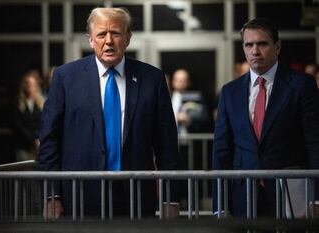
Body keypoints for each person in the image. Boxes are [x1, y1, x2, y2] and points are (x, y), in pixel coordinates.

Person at [38, 7, 180, 219]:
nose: (109, 41)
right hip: (80, 194)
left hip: (136, 195)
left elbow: (167, 144)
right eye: (101, 34)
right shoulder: (65, 78)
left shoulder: (152, 79)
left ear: (128, 38)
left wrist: (170, 197)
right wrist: (52, 196)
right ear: (90, 39)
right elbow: (49, 140)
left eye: (115, 33)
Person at [212, 18, 319, 217]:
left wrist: (317, 197)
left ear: (277, 47)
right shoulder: (230, 92)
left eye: (262, 44)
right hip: (244, 193)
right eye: (249, 44)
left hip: (291, 190)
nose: (255, 51)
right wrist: (219, 204)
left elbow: (315, 141)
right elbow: (221, 150)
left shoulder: (301, 85)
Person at [12, 69, 46, 161]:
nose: (28, 86)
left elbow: (45, 123)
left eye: (31, 84)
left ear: (36, 86)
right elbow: (18, 125)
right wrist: (33, 139)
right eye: (26, 83)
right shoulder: (18, 102)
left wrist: (39, 139)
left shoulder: (41, 103)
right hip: (23, 147)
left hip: (39, 147)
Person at [171, 68, 210, 136]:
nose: (181, 83)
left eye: (184, 80)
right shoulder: (167, 97)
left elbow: (204, 116)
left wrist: (188, 118)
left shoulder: (196, 97)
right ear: (173, 81)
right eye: (178, 80)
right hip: (170, 138)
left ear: (188, 82)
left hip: (189, 139)